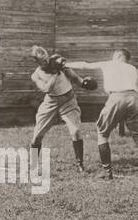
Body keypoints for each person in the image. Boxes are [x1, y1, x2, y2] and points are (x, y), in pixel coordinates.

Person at [65, 50, 138, 180]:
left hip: (116, 96)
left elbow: (85, 65)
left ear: (118, 56)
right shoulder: (134, 69)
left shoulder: (108, 63)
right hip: (134, 99)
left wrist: (66, 64)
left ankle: (108, 173)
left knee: (102, 132)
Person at [28, 45, 93, 173]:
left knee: (75, 131)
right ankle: (33, 166)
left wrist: (84, 83)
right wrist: (55, 74)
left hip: (68, 101)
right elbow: (46, 89)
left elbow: (74, 78)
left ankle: (80, 164)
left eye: (47, 58)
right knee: (37, 136)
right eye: (43, 60)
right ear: (36, 62)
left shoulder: (59, 65)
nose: (47, 61)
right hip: (50, 103)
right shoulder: (36, 75)